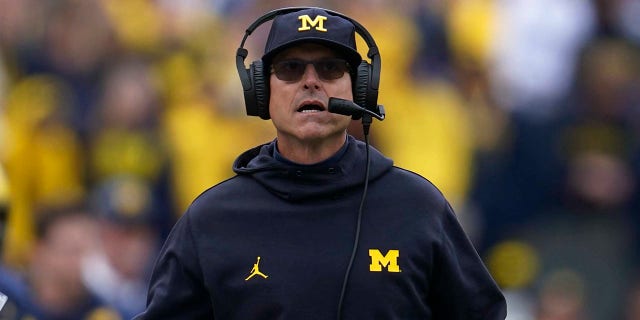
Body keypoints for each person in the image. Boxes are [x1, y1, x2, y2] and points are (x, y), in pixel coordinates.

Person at [135, 7, 506, 319]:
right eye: (291, 69)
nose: (311, 83)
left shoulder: (417, 207)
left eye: (330, 69)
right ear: (261, 92)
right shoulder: (212, 218)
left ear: (360, 89)